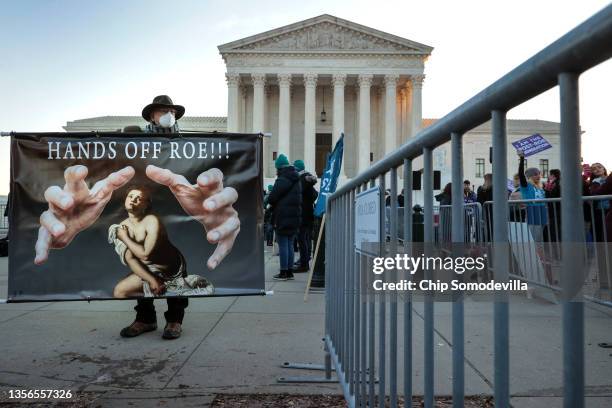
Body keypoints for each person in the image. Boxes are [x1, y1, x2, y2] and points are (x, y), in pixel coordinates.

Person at [34, 95, 240, 340]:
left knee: (174, 278)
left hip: (176, 217)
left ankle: (174, 321)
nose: (167, 114)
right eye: (162, 110)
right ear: (151, 115)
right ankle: (145, 318)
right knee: (136, 280)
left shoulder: (186, 143)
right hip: (144, 210)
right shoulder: (134, 140)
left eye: (171, 110)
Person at [267, 154, 302, 281]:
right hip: (294, 216)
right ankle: (290, 271)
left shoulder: (283, 179)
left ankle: (283, 272)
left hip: (283, 216)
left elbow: (272, 198)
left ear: (279, 168)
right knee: (290, 244)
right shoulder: (296, 179)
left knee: (282, 244)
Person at [293, 160, 318, 272]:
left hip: (302, 214)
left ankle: (304, 264)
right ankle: (305, 259)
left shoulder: (301, 180)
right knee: (306, 238)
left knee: (302, 239)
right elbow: (315, 194)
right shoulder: (308, 180)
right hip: (309, 213)